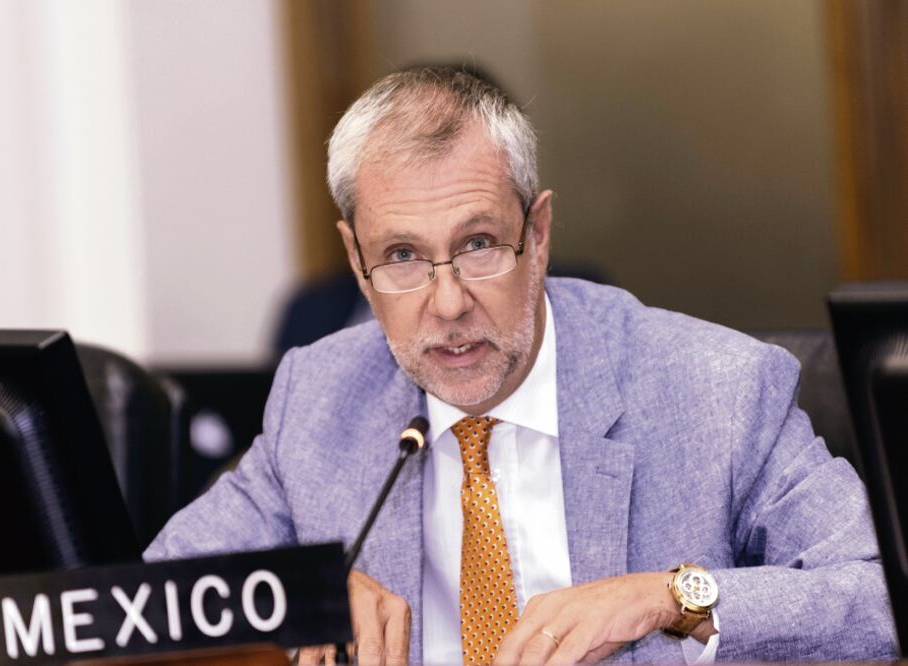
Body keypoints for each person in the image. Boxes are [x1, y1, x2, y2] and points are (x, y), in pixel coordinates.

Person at [145, 67, 896, 665]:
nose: (445, 304)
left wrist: (672, 598)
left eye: (476, 245)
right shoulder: (320, 396)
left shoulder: (713, 387)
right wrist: (295, 597)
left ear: (536, 234)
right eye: (401, 256)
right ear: (354, 257)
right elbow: (145, 607)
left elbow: (879, 597)